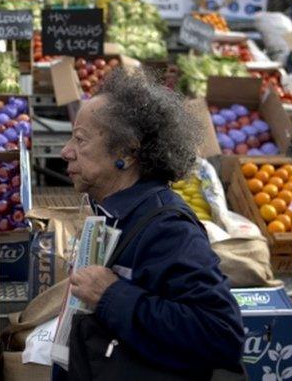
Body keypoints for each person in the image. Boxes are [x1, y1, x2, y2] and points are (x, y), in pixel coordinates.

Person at [58, 68, 244, 379]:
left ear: (127, 153)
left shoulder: (170, 230)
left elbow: (221, 334)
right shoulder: (112, 209)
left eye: (80, 140)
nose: (66, 152)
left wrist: (111, 296)